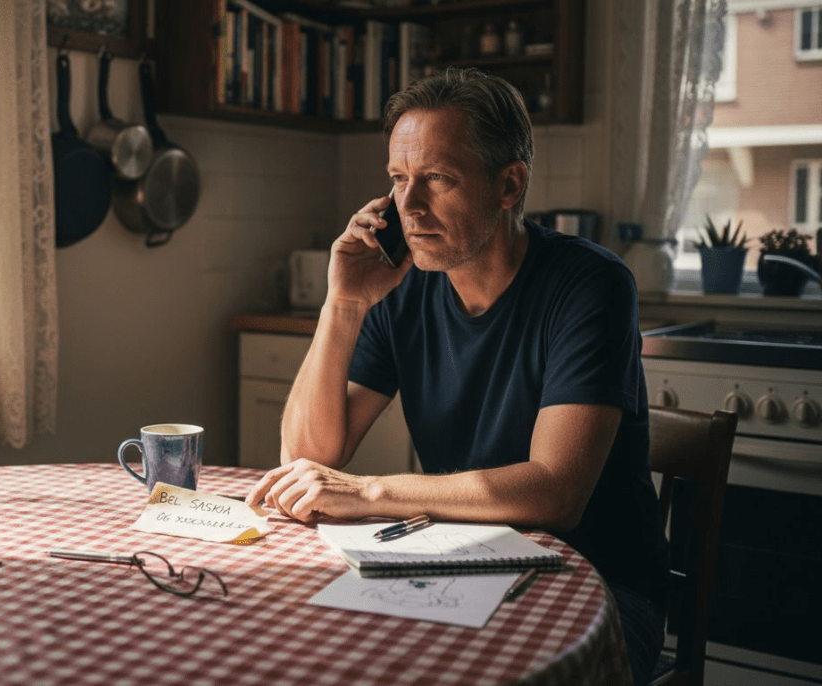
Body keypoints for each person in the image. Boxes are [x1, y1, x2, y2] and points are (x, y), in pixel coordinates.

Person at [245, 68, 668, 684]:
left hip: (600, 593)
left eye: (438, 179)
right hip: (457, 564)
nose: (408, 207)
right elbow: (307, 458)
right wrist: (343, 305)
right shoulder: (401, 285)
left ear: (509, 184)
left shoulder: (590, 285)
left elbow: (555, 494)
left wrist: (367, 492)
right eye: (397, 180)